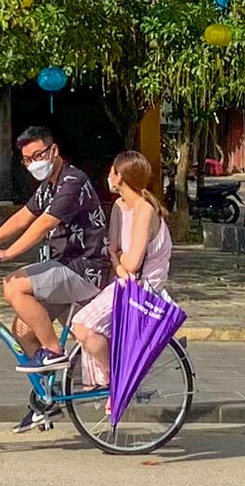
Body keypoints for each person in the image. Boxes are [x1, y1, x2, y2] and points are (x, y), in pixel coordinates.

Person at [0, 127, 108, 434]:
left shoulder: (72, 182)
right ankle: (46, 398)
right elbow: (24, 216)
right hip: (62, 265)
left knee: (14, 285)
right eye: (26, 159)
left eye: (37, 155)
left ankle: (53, 352)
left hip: (84, 268)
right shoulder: (48, 185)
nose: (33, 163)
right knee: (22, 328)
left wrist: (8, 253)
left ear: (53, 151)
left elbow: (45, 224)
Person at [71, 150, 172, 396]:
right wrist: (119, 262)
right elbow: (113, 248)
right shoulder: (119, 206)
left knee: (82, 325)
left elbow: (133, 262)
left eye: (112, 171)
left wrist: (121, 260)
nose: (109, 176)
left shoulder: (144, 210)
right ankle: (106, 384)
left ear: (121, 177)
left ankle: (116, 380)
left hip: (143, 288)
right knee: (84, 327)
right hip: (124, 282)